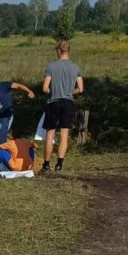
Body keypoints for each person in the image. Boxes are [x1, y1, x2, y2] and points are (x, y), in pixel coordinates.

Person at [41, 40, 84, 174]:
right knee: (64, 135)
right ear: (68, 51)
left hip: (54, 102)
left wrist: (52, 91)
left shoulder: (51, 67)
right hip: (68, 103)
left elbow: (45, 88)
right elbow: (80, 89)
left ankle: (46, 165)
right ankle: (59, 164)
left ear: (58, 51)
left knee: (50, 134)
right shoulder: (75, 67)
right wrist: (71, 92)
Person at [0, 72, 35, 148]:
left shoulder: (3, 85)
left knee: (0, 137)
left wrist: (29, 91)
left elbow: (18, 86)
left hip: (6, 115)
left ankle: (2, 154)